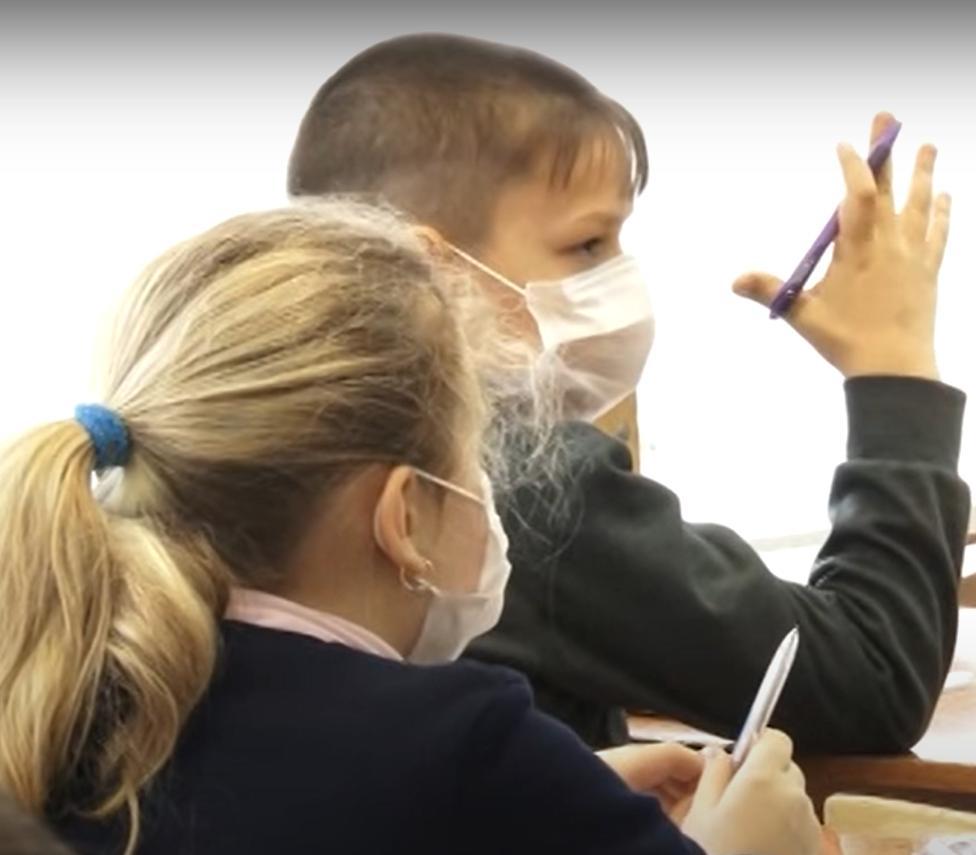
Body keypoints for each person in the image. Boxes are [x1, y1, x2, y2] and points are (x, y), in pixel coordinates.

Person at [0, 202, 821, 855]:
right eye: (472, 463)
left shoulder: (57, 698)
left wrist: (553, 798)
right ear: (401, 518)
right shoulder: (464, 741)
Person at [287, 33, 971, 750]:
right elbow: (871, 678)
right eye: (586, 245)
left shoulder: (284, 438)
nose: (619, 278)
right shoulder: (515, 484)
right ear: (433, 269)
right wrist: (895, 371)